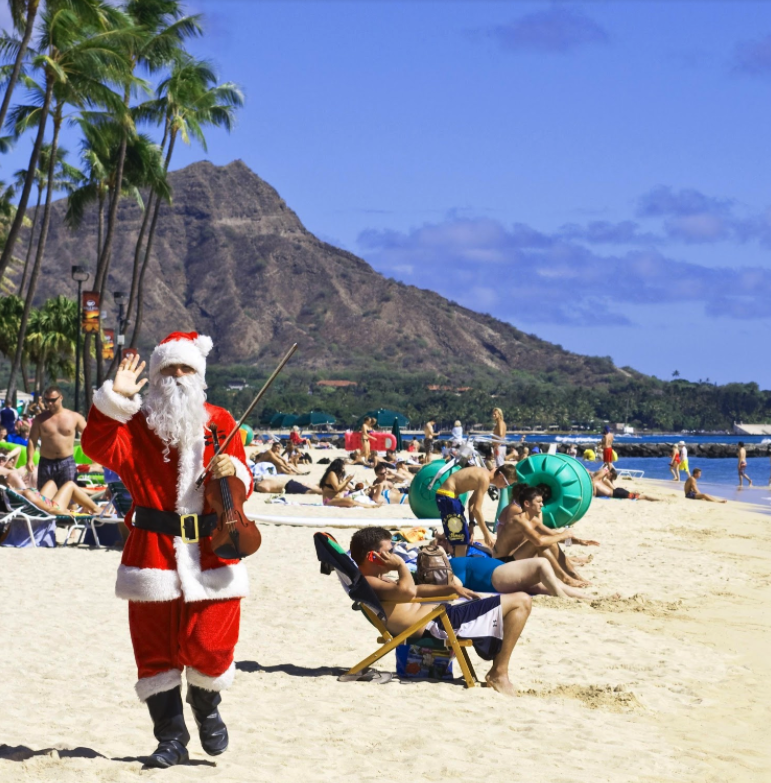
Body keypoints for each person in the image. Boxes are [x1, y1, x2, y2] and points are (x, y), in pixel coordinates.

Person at [81, 333, 254, 768]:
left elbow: (240, 484)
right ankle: (171, 740)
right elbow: (95, 447)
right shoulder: (135, 424)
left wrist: (235, 469)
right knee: (154, 650)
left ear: (200, 376)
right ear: (154, 377)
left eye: (186, 369)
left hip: (213, 549)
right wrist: (113, 399)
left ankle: (206, 703)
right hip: (152, 551)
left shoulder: (221, 422)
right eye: (168, 369)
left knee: (210, 642)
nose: (177, 377)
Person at [352, 527, 532, 696]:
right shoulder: (369, 582)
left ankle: (498, 669)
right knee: (522, 601)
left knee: (509, 601)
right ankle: (499, 673)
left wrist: (450, 590)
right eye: (390, 551)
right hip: (439, 622)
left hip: (441, 615)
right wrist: (400, 566)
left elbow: (416, 590)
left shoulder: (377, 579)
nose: (394, 555)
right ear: (373, 556)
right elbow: (407, 592)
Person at [494, 487, 597, 589]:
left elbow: (553, 535)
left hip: (514, 559)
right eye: (538, 502)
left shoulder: (533, 520)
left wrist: (580, 541)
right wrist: (563, 535)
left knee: (549, 540)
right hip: (501, 563)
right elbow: (539, 541)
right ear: (527, 504)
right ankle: (565, 577)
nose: (542, 505)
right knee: (540, 542)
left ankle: (573, 574)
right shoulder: (518, 520)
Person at [435, 463, 517, 556]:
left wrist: (471, 524)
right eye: (506, 484)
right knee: (461, 539)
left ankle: (442, 537)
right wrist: (486, 534)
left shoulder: (485, 475)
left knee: (462, 534)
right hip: (447, 496)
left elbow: (472, 502)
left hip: (449, 496)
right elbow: (477, 510)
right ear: (501, 476)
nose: (505, 487)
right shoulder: (485, 479)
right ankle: (460, 567)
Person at [26, 386, 87, 491]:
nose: (49, 403)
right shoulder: (40, 419)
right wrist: (29, 459)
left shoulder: (74, 417)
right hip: (46, 462)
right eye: (47, 400)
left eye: (53, 400)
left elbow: (89, 436)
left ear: (61, 398)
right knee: (44, 498)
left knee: (70, 496)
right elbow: (32, 440)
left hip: (66, 462)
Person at [593, 467, 660, 501]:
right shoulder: (600, 481)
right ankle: (656, 499)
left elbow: (594, 494)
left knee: (641, 497)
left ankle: (658, 500)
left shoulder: (595, 483)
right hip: (617, 491)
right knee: (637, 495)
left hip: (617, 493)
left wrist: (594, 494)